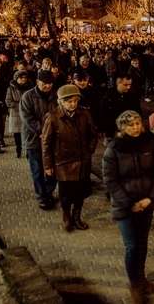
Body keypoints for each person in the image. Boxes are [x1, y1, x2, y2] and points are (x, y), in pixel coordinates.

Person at [102, 110, 154, 304]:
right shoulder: (114, 149)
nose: (136, 127)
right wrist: (130, 203)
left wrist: (150, 199)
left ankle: (141, 278)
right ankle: (134, 284)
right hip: (125, 206)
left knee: (143, 244)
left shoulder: (150, 144)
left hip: (145, 203)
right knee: (132, 246)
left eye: (138, 123)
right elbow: (110, 181)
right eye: (131, 125)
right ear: (122, 128)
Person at [41, 85, 98, 232]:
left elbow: (93, 134)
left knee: (80, 192)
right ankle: (66, 216)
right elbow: (46, 143)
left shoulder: (84, 114)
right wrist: (47, 165)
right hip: (63, 162)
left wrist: (89, 150)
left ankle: (77, 217)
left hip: (82, 161)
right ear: (61, 102)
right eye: (69, 101)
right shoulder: (53, 117)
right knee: (65, 193)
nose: (73, 104)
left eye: (75, 101)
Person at [19, 69, 58, 210]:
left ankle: (48, 192)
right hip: (33, 139)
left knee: (52, 169)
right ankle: (42, 196)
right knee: (37, 170)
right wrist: (43, 131)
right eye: (44, 83)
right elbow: (27, 118)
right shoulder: (28, 96)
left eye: (50, 83)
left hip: (52, 140)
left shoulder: (55, 95)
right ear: (37, 82)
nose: (47, 86)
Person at [5, 70, 32, 158]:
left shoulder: (30, 87)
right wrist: (21, 105)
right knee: (17, 134)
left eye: (25, 77)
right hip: (16, 114)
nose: (23, 79)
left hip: (27, 113)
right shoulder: (11, 88)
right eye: (21, 78)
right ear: (16, 78)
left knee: (27, 134)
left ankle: (28, 150)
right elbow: (8, 101)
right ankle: (18, 149)